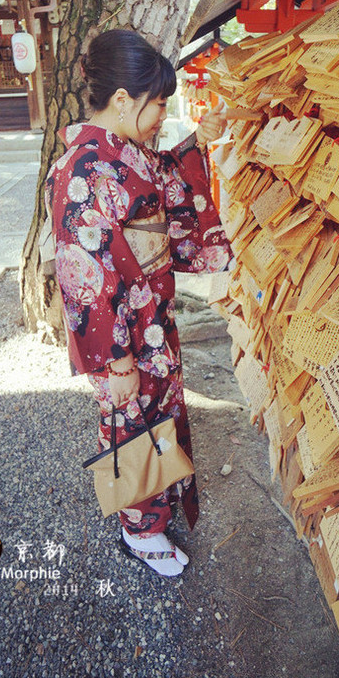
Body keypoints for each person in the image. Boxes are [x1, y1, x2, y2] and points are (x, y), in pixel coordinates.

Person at [45, 29, 232, 577]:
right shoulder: (81, 171)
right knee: (131, 422)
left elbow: (164, 183)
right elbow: (85, 277)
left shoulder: (125, 154)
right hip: (123, 333)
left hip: (149, 317)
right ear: (123, 100)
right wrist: (115, 359)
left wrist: (197, 142)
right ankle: (138, 529)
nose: (160, 116)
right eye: (158, 105)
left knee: (157, 416)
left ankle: (153, 507)